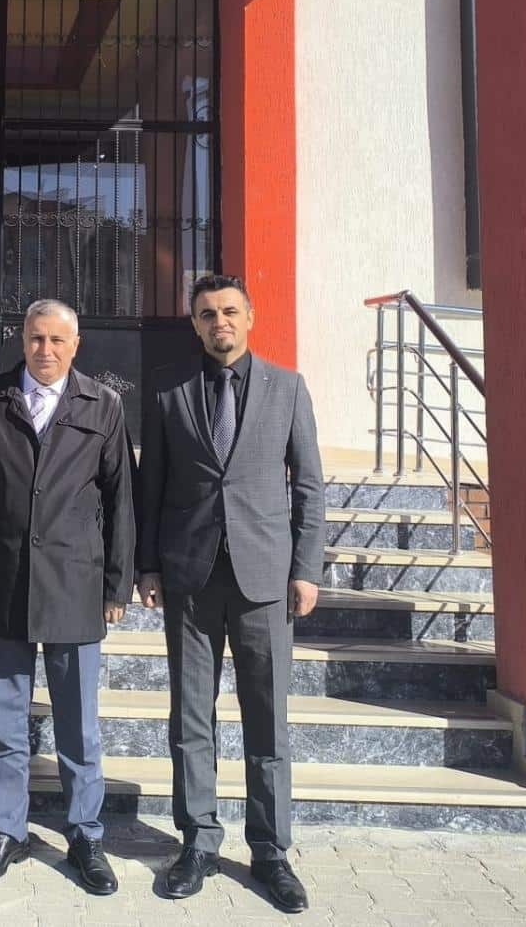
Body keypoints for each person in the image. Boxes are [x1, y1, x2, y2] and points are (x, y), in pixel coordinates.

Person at [135, 273, 326, 914]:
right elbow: (151, 485)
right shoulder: (168, 389)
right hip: (189, 577)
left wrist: (306, 568)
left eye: (229, 311)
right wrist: (147, 566)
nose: (219, 322)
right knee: (191, 718)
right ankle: (198, 841)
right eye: (207, 314)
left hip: (264, 578)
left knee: (266, 719)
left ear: (250, 317)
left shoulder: (287, 388)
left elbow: (309, 486)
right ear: (194, 324)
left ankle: (270, 850)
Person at [0, 299, 135, 897]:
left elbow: (120, 500)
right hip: (5, 579)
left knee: (78, 725)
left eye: (57, 340)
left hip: (75, 583)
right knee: (5, 721)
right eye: (35, 338)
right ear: (21, 340)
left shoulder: (103, 404)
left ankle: (85, 835)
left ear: (75, 345)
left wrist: (117, 584)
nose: (45, 350)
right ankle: (8, 832)